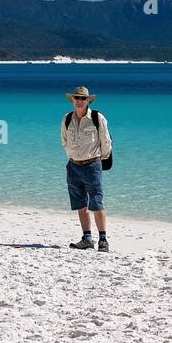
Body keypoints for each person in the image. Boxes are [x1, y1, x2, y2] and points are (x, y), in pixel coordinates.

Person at [61, 86, 113, 252]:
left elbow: (106, 142)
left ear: (88, 100)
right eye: (77, 98)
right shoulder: (67, 118)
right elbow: (64, 141)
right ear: (73, 100)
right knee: (80, 204)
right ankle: (87, 238)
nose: (80, 101)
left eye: (83, 98)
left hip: (92, 165)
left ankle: (103, 240)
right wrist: (72, 156)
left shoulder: (97, 118)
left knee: (97, 202)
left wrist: (100, 160)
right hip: (73, 166)